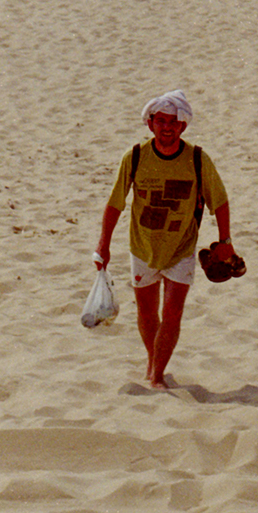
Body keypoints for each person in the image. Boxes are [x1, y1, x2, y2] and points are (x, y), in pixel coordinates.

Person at [95, 90, 235, 389]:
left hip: (181, 248)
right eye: (161, 121)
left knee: (172, 313)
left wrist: (225, 241)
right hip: (142, 247)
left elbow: (220, 202)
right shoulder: (135, 157)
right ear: (150, 124)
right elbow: (115, 203)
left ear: (183, 125)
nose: (167, 127)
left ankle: (157, 375)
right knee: (147, 313)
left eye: (174, 122)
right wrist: (103, 245)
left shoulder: (197, 159)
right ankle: (153, 360)